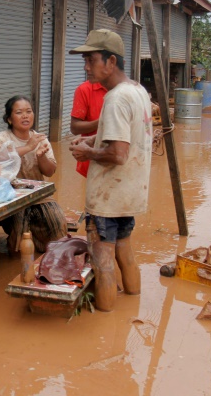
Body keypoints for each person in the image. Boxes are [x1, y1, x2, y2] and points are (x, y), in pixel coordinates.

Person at [68, 29, 153, 312]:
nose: (86, 67)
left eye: (91, 60)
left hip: (107, 198)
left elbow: (118, 154)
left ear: (111, 61)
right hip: (128, 193)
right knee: (125, 252)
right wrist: (92, 140)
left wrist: (87, 152)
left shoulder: (115, 98)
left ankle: (106, 325)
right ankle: (133, 304)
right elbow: (125, 136)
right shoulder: (138, 91)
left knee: (103, 263)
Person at [0, 96, 68, 254]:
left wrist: (41, 156)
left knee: (57, 224)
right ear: (9, 119)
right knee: (19, 238)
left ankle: (42, 246)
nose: (25, 116)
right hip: (10, 197)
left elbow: (50, 171)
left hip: (38, 196)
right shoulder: (3, 138)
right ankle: (17, 248)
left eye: (28, 111)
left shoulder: (40, 139)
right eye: (19, 112)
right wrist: (28, 147)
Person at [70, 77, 107, 177]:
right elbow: (74, 127)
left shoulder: (126, 92)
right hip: (92, 161)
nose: (87, 69)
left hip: (119, 161)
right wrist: (103, 122)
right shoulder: (84, 89)